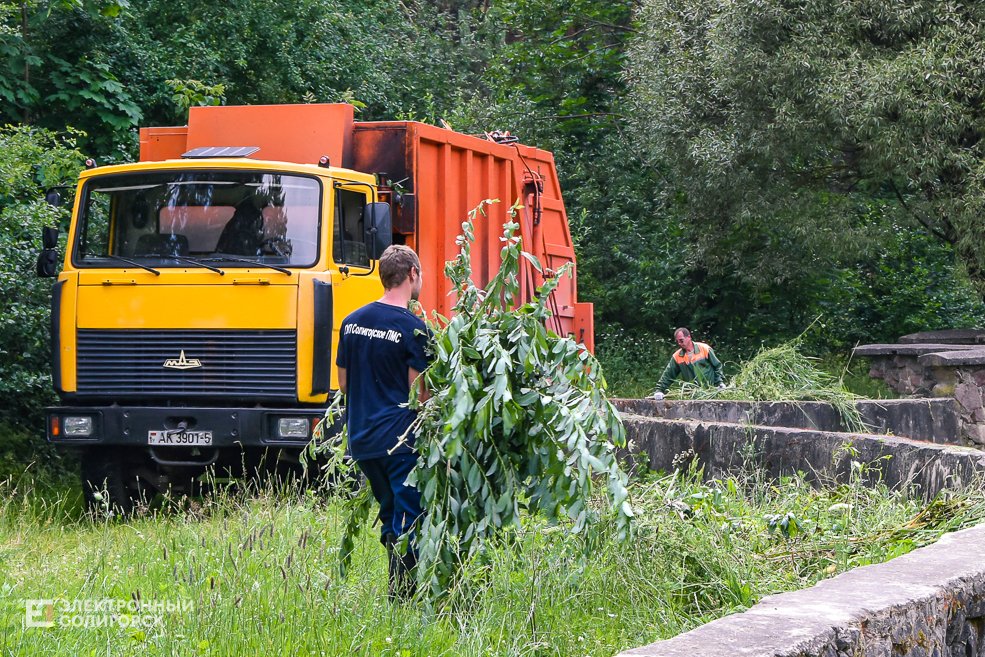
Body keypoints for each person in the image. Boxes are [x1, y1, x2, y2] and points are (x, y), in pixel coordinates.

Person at [335, 244, 431, 599]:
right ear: (412, 275)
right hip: (400, 442)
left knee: (391, 511)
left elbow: (344, 384)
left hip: (362, 441)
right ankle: (403, 600)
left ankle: (397, 595)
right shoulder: (414, 328)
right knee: (409, 517)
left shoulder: (351, 322)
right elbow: (420, 395)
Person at [653, 328, 724, 399]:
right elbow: (668, 375)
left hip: (710, 392)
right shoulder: (677, 356)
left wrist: (719, 383)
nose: (679, 343)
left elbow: (717, 366)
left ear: (689, 337)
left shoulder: (704, 349)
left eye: (681, 340)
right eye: (677, 341)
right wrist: (659, 390)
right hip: (692, 395)